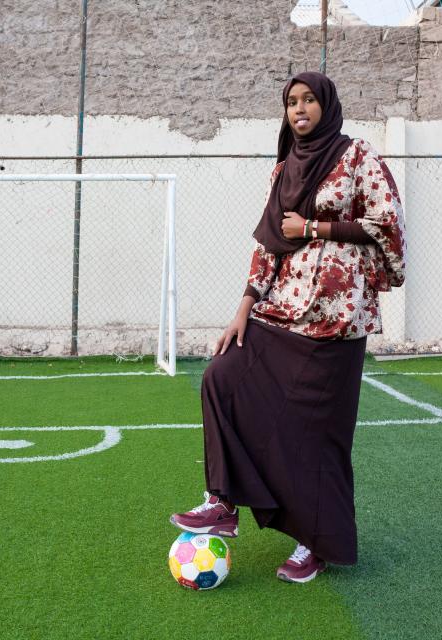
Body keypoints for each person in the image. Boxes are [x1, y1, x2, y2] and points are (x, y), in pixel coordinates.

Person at [169, 72, 406, 584]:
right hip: (283, 308)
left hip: (338, 318)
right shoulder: (283, 169)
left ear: (327, 105)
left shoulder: (358, 155)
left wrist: (317, 228)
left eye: (309, 100)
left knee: (316, 436)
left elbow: (389, 224)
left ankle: (313, 546)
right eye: (291, 102)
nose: (299, 109)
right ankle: (221, 502)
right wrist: (243, 308)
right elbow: (268, 244)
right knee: (222, 377)